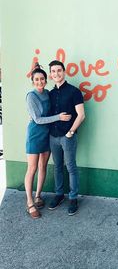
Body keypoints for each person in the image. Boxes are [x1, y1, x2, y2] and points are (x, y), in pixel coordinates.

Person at [25, 63, 71, 219]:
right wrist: (58, 117)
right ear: (33, 81)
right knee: (32, 169)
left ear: (46, 80)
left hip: (48, 134)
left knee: (43, 166)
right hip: (35, 134)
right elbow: (37, 119)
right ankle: (30, 202)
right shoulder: (31, 96)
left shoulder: (48, 93)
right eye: (36, 79)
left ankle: (38, 195)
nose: (39, 81)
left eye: (42, 79)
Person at [48, 60, 85, 216]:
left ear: (64, 72)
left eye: (59, 70)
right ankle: (59, 195)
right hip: (53, 136)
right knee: (57, 167)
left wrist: (71, 131)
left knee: (70, 167)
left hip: (67, 136)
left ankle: (73, 197)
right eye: (53, 71)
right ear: (50, 75)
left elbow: (81, 115)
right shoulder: (49, 93)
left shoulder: (74, 91)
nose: (56, 73)